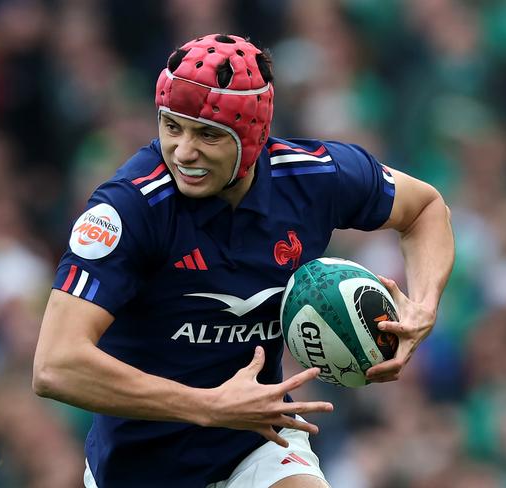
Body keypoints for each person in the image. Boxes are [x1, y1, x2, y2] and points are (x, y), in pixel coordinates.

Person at [33, 33, 454, 488]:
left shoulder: (314, 177)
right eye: (171, 126)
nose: (183, 151)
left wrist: (424, 306)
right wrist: (210, 406)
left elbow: (426, 209)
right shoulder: (127, 211)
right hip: (138, 469)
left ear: (254, 135)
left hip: (257, 443)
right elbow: (56, 365)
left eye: (207, 134)